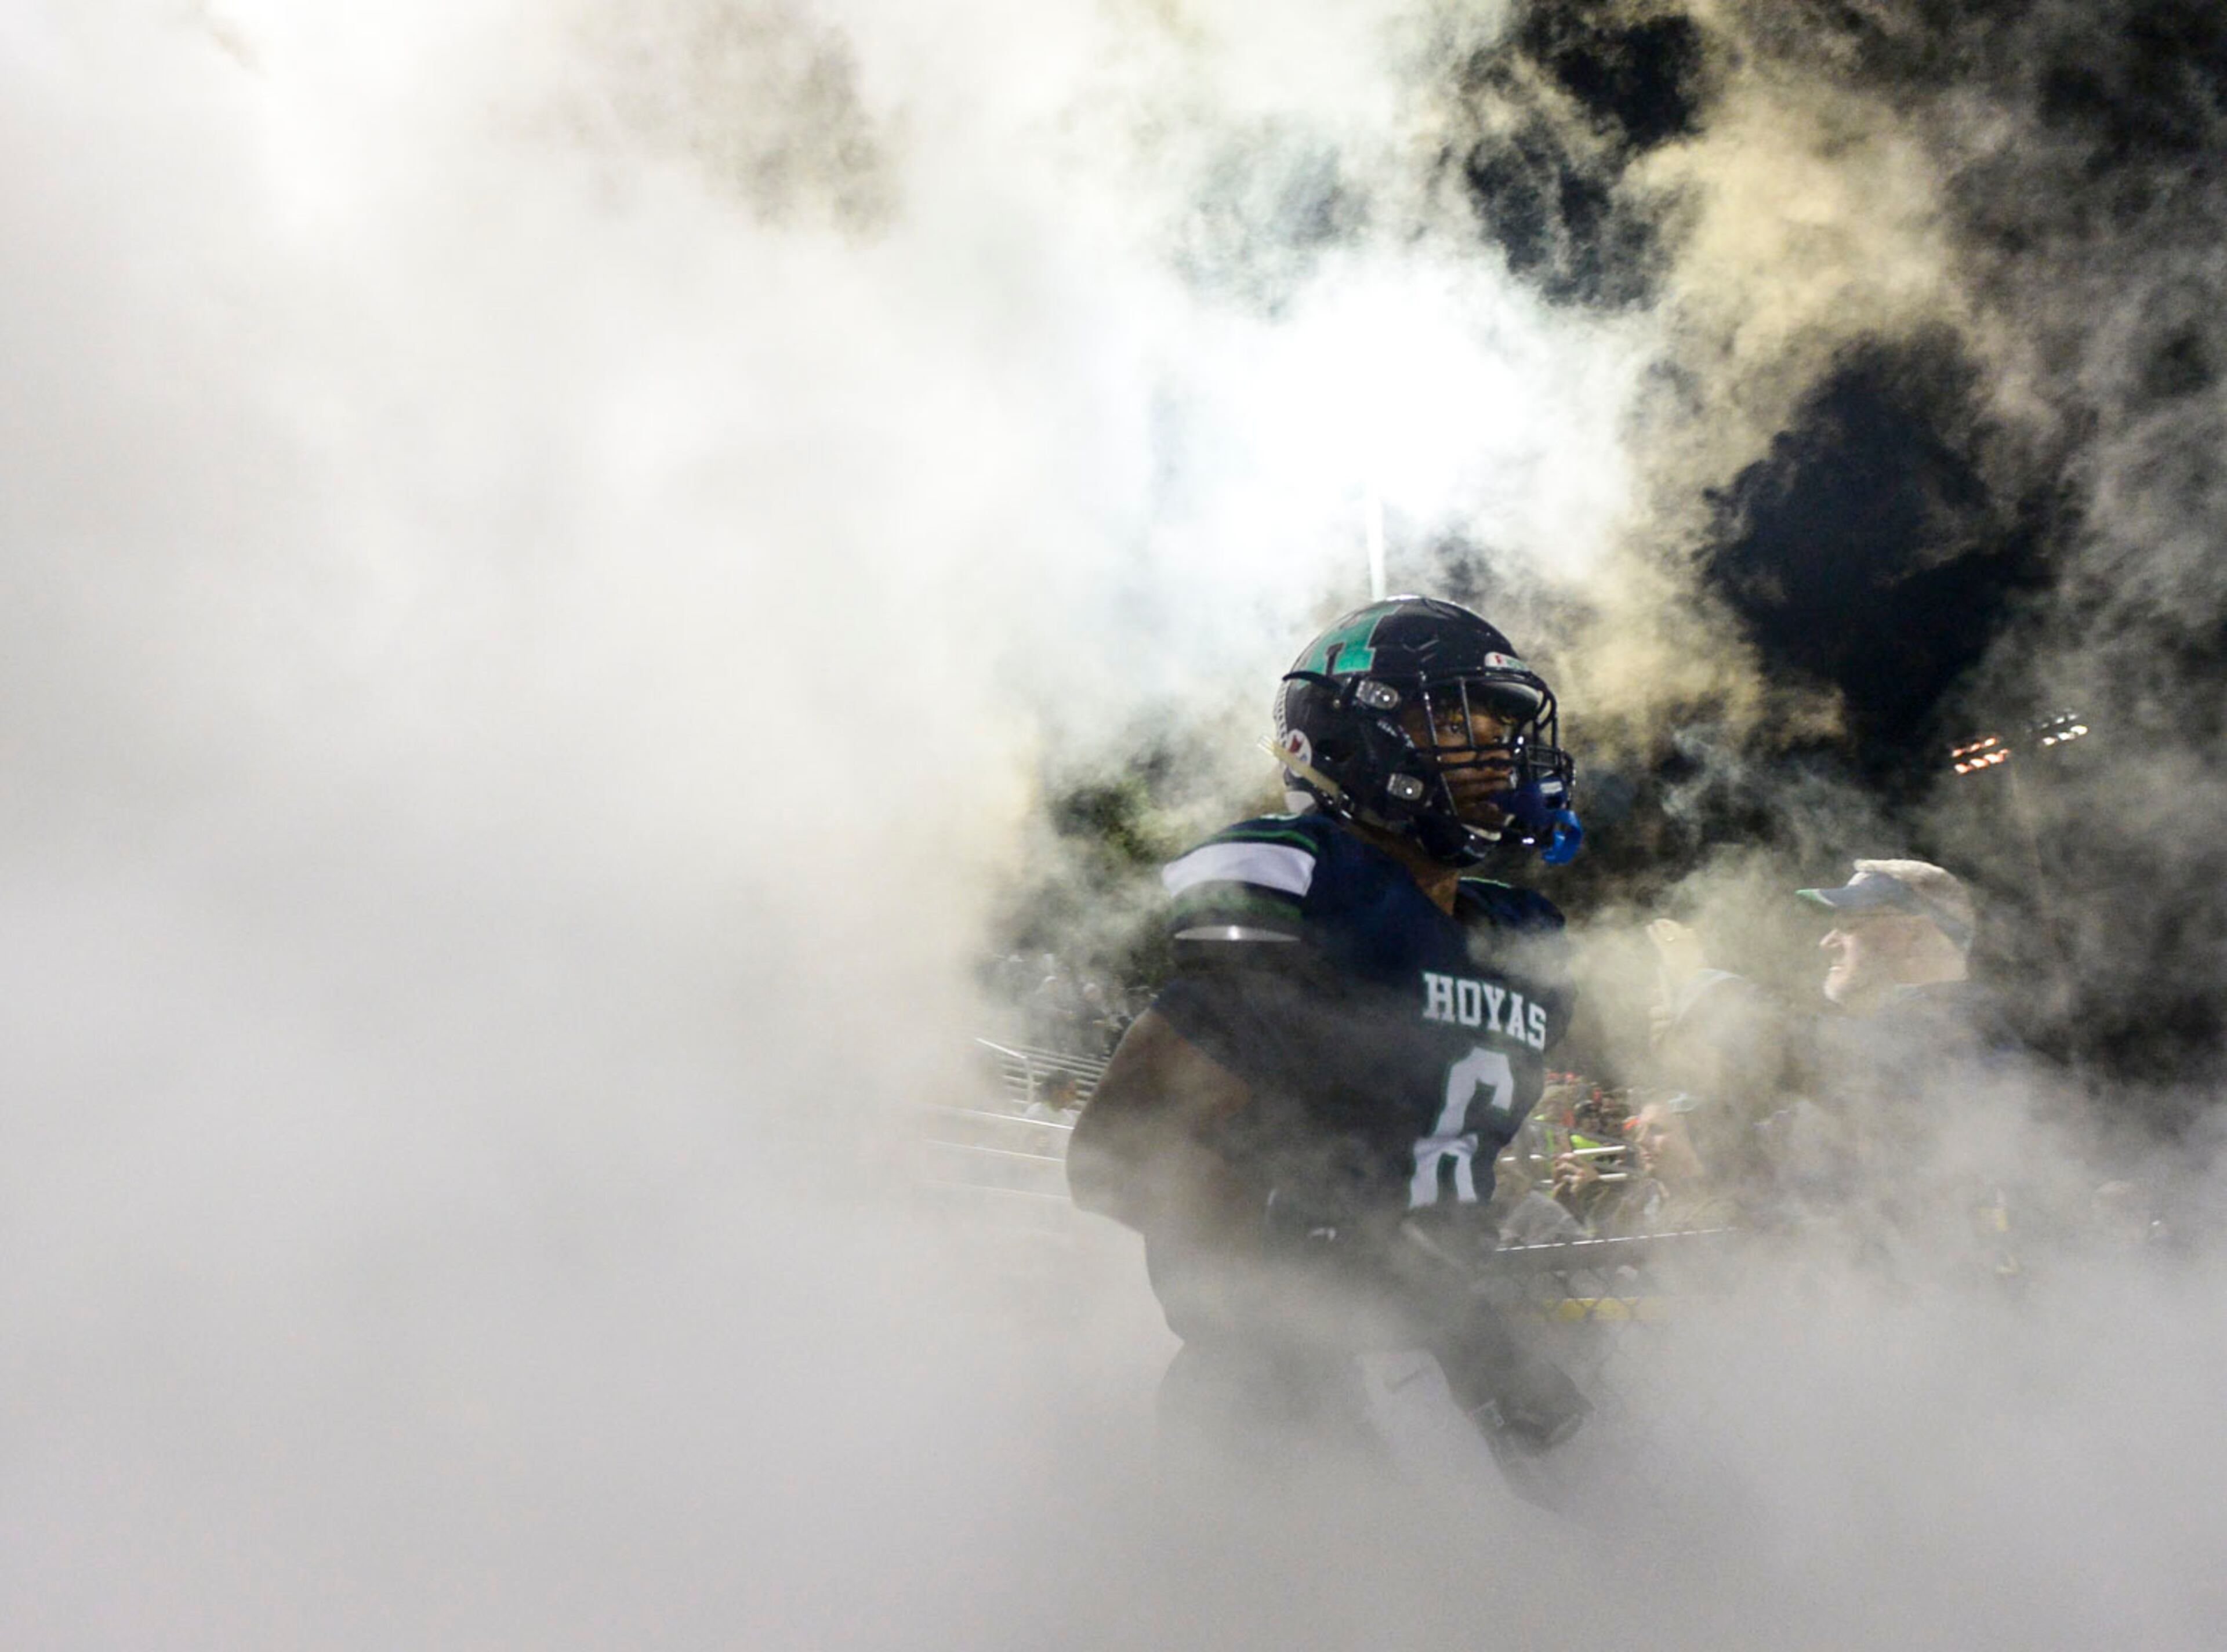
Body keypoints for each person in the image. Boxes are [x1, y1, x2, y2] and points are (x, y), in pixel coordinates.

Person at [1067, 596, 1591, 1459]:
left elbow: (1437, 1151)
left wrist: (1466, 1300)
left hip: (1458, 1366)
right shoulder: (1312, 889)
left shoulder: (1521, 936)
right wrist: (1303, 1285)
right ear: (1358, 734)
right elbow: (1119, 1149)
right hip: (1293, 1385)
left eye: (1506, 723)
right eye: (1463, 718)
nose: (1500, 747)